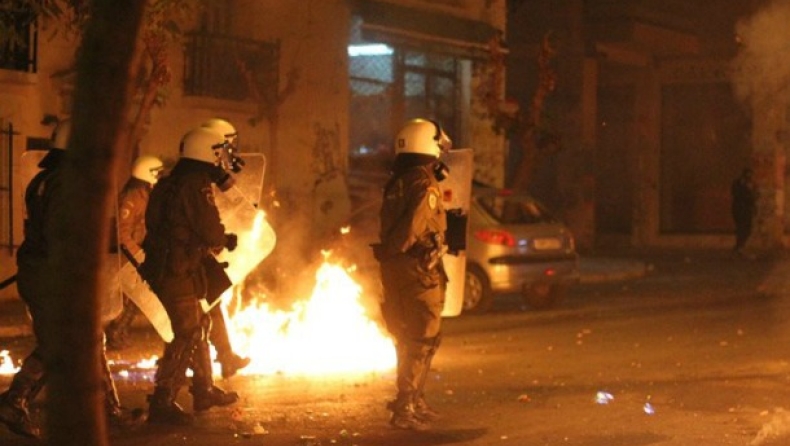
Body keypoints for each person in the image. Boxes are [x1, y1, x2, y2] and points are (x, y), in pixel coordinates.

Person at [0, 120, 144, 439]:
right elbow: (63, 232)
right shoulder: (68, 184)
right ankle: (14, 401)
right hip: (56, 273)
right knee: (63, 342)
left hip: (39, 268)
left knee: (89, 338)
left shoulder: (43, 178)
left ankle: (109, 410)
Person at [139, 126, 240, 425]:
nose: (221, 159)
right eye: (218, 153)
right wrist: (224, 239)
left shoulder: (168, 182)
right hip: (178, 268)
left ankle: (203, 389)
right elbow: (209, 228)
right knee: (187, 331)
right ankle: (163, 400)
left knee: (200, 323)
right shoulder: (195, 184)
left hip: (167, 264)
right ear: (206, 154)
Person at [372, 118, 452, 431]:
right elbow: (412, 227)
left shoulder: (398, 180)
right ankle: (407, 405)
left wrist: (392, 255)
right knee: (423, 338)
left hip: (394, 270)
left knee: (406, 336)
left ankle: (413, 399)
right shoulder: (424, 183)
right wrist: (414, 253)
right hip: (417, 269)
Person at [200, 118, 250, 379]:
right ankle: (192, 382)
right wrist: (218, 238)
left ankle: (225, 359)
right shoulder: (198, 178)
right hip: (191, 253)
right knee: (192, 320)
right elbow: (203, 215)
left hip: (203, 250)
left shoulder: (207, 174)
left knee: (211, 305)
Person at [105, 155, 165, 350]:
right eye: (156, 172)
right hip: (127, 255)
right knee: (131, 298)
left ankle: (118, 332)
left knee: (134, 298)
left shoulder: (142, 193)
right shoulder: (133, 196)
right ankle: (115, 332)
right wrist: (138, 255)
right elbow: (122, 232)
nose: (159, 176)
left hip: (133, 252)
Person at [731, 167, 757, 255]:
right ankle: (739, 246)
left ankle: (740, 246)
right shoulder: (738, 183)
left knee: (747, 228)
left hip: (746, 209)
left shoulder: (751, 184)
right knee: (741, 228)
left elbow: (755, 196)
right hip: (740, 208)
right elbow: (737, 194)